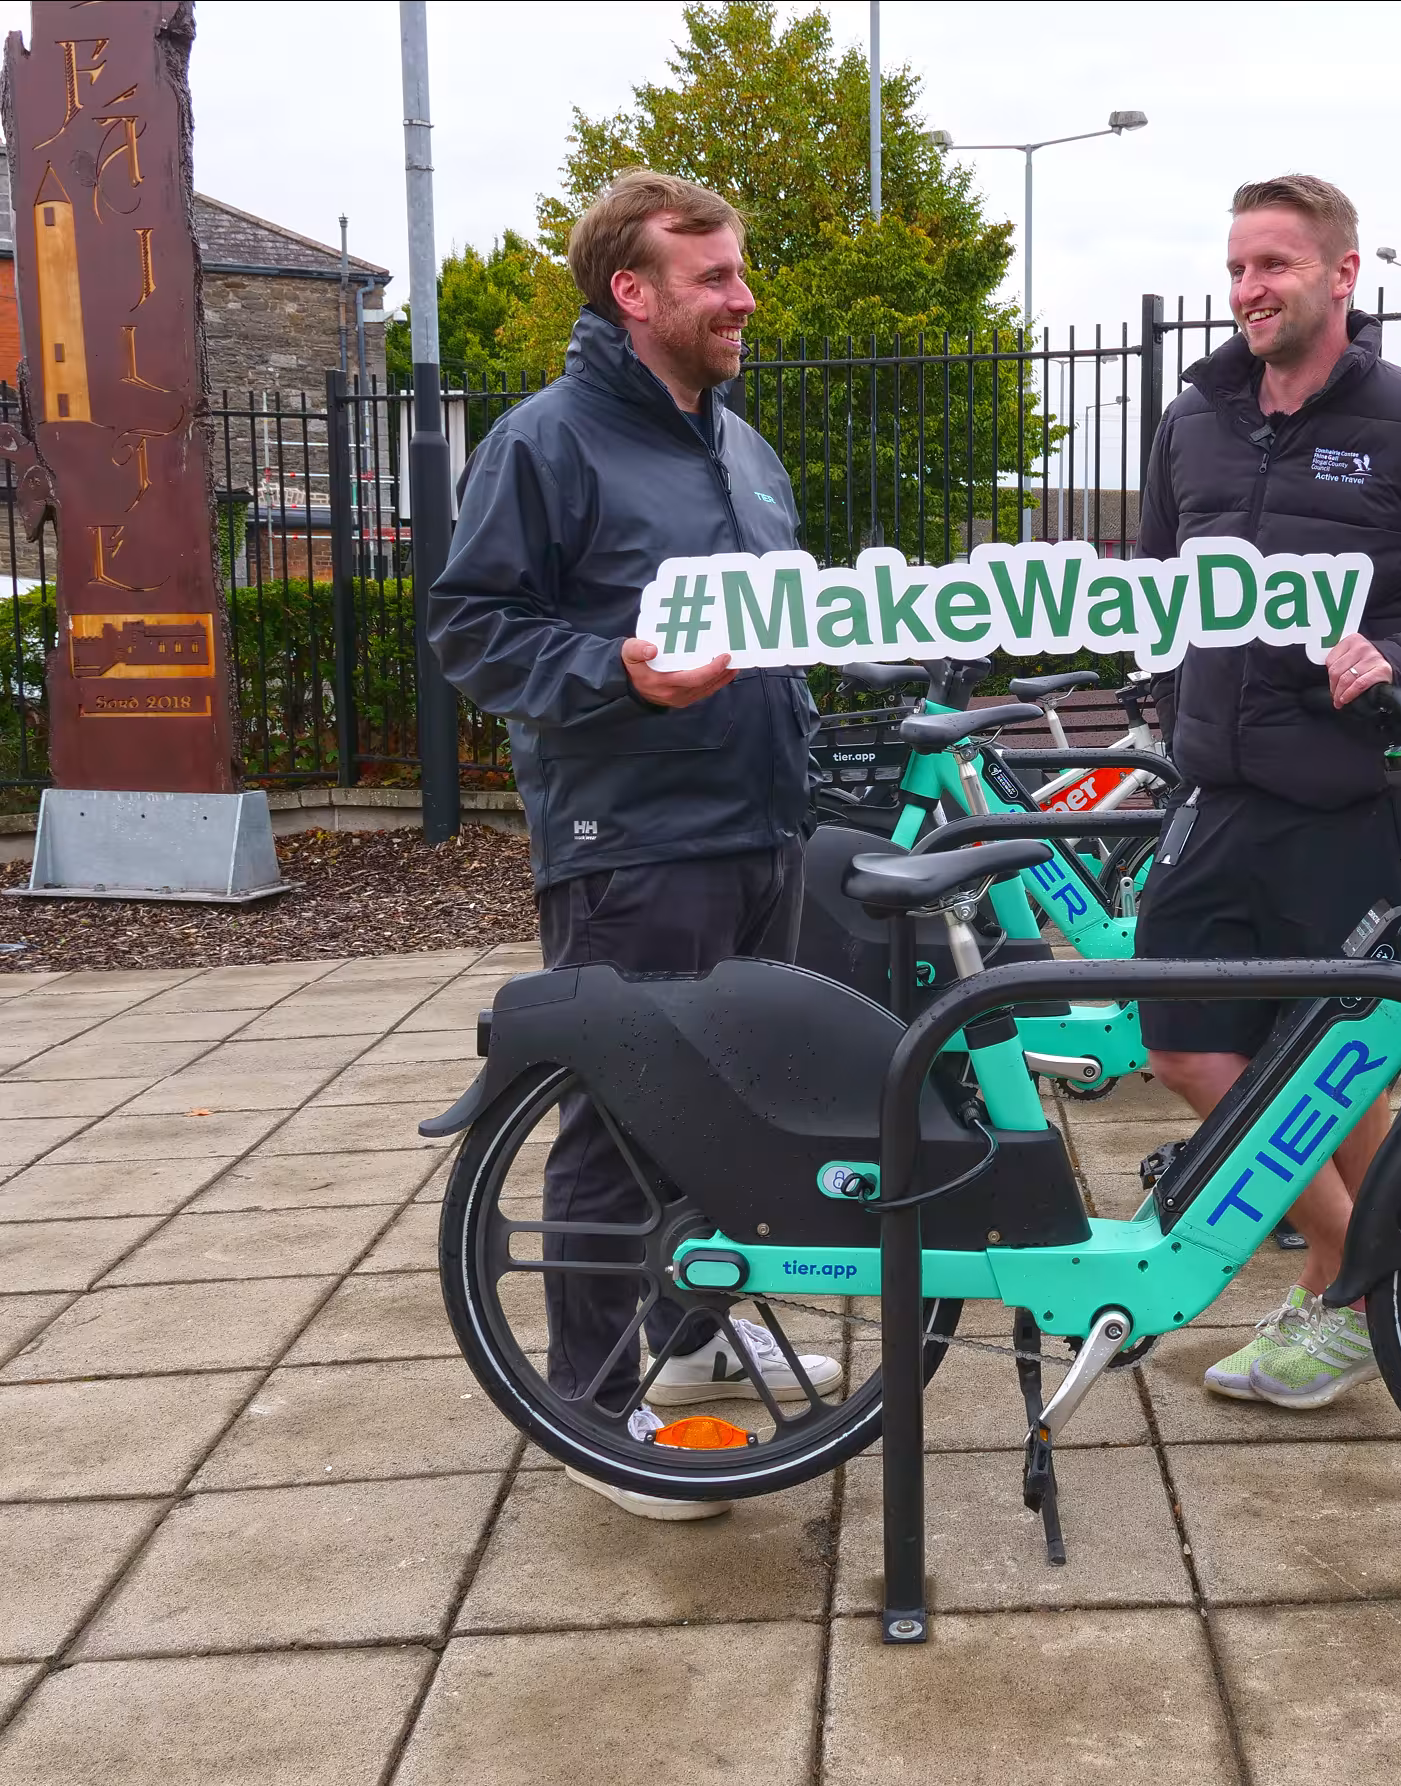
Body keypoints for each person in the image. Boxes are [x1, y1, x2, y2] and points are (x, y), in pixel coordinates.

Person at [430, 170, 839, 1520]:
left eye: (739, 270)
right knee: (619, 1125)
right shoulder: (546, 442)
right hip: (634, 842)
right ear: (634, 291)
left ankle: (698, 1330)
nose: (743, 296)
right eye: (713, 276)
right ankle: (596, 1415)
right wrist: (617, 667)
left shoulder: (742, 444)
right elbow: (473, 629)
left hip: (757, 828)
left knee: (731, 1112)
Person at [1136, 175, 1401, 1410]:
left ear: (1343, 274)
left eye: (1274, 264)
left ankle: (1348, 1298)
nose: (1247, 290)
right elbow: (1163, 581)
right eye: (1234, 267)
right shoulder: (1196, 420)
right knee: (1183, 1047)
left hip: (1348, 800)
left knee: (1336, 1063)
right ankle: (1357, 1266)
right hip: (1214, 790)